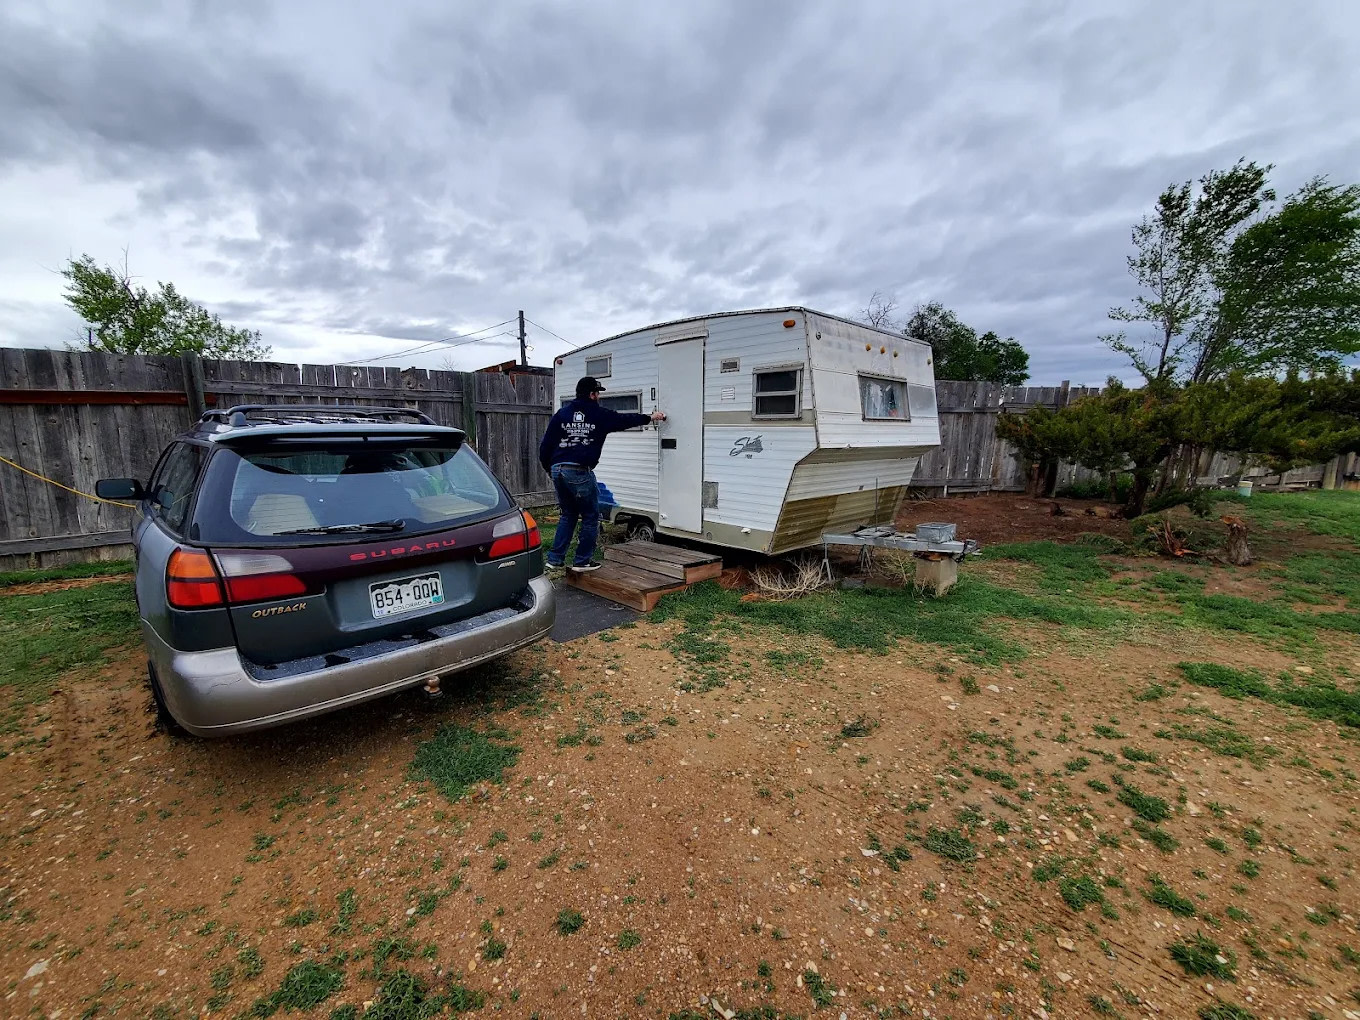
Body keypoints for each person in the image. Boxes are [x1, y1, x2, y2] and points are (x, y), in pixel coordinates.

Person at [538, 376, 665, 572]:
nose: (598, 396)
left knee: (568, 515)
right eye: (597, 393)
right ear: (592, 394)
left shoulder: (562, 414)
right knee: (590, 516)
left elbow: (545, 446)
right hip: (579, 470)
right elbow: (624, 420)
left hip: (558, 469)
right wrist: (650, 417)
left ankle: (554, 560)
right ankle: (582, 562)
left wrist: (550, 469)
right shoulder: (598, 414)